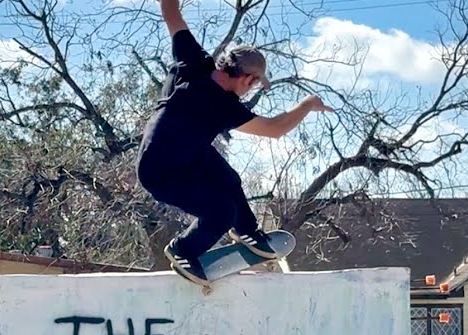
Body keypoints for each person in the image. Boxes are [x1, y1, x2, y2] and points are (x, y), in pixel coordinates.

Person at [136, 0, 333, 282]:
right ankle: (183, 250)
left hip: (177, 155)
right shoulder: (225, 106)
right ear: (249, 79)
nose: (250, 90)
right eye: (254, 84)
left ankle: (248, 232)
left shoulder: (195, 61)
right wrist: (306, 104)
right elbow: (275, 128)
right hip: (162, 173)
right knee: (221, 212)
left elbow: (171, 12)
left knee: (228, 179)